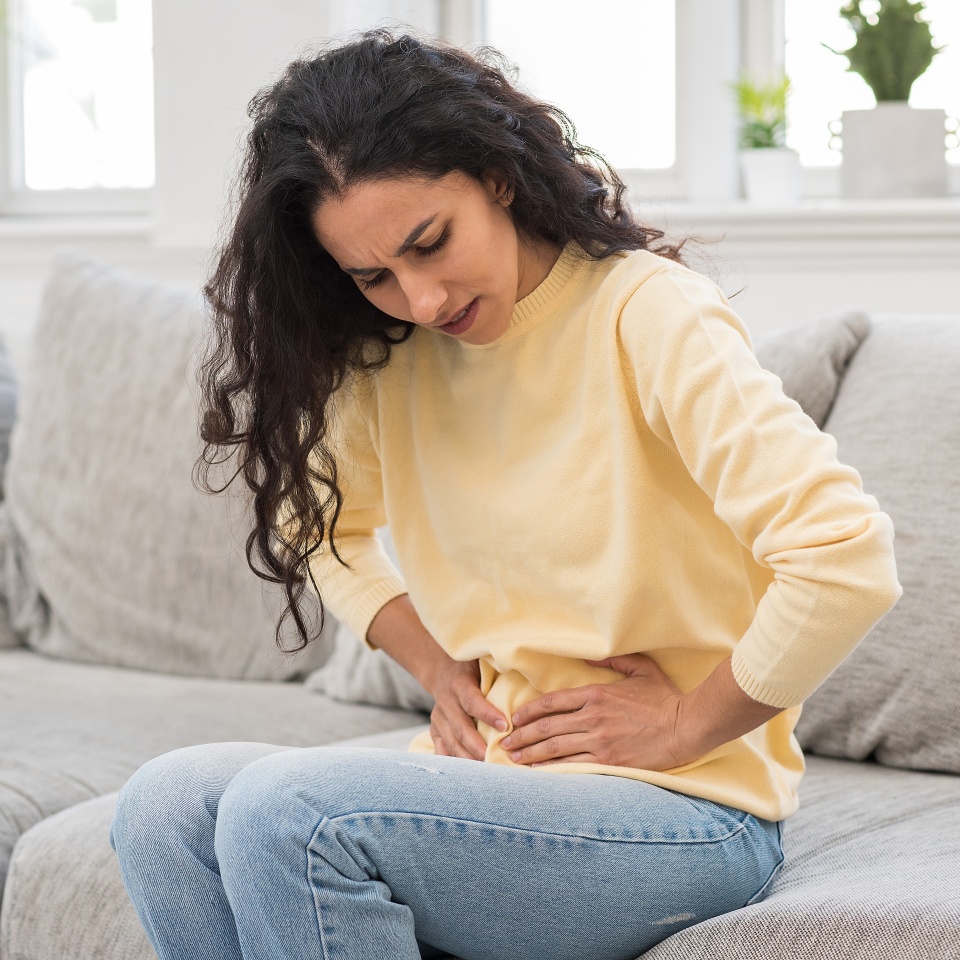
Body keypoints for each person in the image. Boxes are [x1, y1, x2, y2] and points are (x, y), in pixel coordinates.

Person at [108, 29, 902, 960]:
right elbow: (316, 526)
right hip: (503, 778)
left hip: (688, 812)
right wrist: (439, 667)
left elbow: (844, 557)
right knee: (163, 807)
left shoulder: (644, 315)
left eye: (429, 243)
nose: (423, 298)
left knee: (292, 817)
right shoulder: (391, 358)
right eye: (375, 276)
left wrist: (690, 719)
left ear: (497, 177)